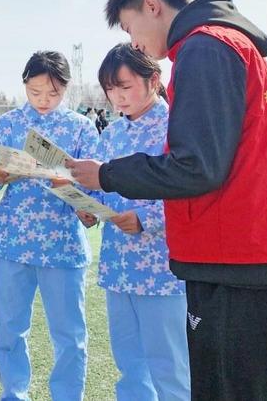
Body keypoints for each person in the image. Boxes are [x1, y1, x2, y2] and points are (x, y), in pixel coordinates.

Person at [67, 0, 267, 401]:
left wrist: (107, 174)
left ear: (152, 6)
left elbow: (196, 166)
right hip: (244, 248)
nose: (134, 42)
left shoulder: (205, 47)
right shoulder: (224, 44)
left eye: (130, 27)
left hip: (238, 254)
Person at [0, 51, 99, 401]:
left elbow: (95, 187)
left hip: (63, 244)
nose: (44, 100)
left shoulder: (81, 126)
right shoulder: (8, 123)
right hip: (12, 240)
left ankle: (68, 396)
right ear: (24, 85)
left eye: (53, 93)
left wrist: (71, 186)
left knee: (69, 334)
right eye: (35, 92)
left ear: (66, 88)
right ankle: (14, 393)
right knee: (9, 329)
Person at [80, 44, 189, 401]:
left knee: (170, 365)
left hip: (162, 270)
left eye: (124, 86)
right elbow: (101, 187)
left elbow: (191, 191)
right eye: (110, 89)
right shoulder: (112, 133)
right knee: (129, 363)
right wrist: (88, 208)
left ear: (153, 80)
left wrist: (146, 219)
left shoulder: (177, 129)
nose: (117, 97)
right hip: (119, 265)